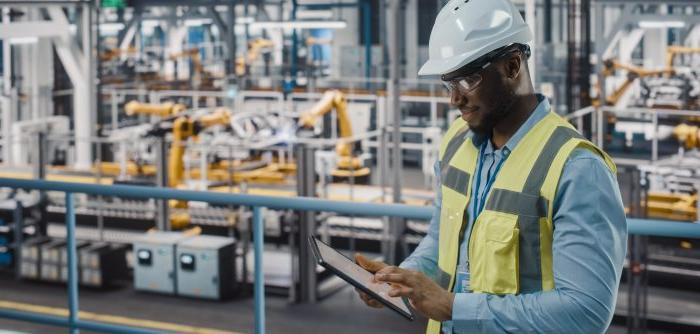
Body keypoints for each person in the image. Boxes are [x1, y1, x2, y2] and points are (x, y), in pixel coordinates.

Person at [354, 0, 627, 333]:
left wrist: (453, 306)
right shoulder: (456, 141)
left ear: (512, 66)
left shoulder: (577, 168)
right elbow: (442, 241)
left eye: (468, 81)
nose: (454, 99)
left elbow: (585, 313)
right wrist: (399, 279)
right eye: (448, 84)